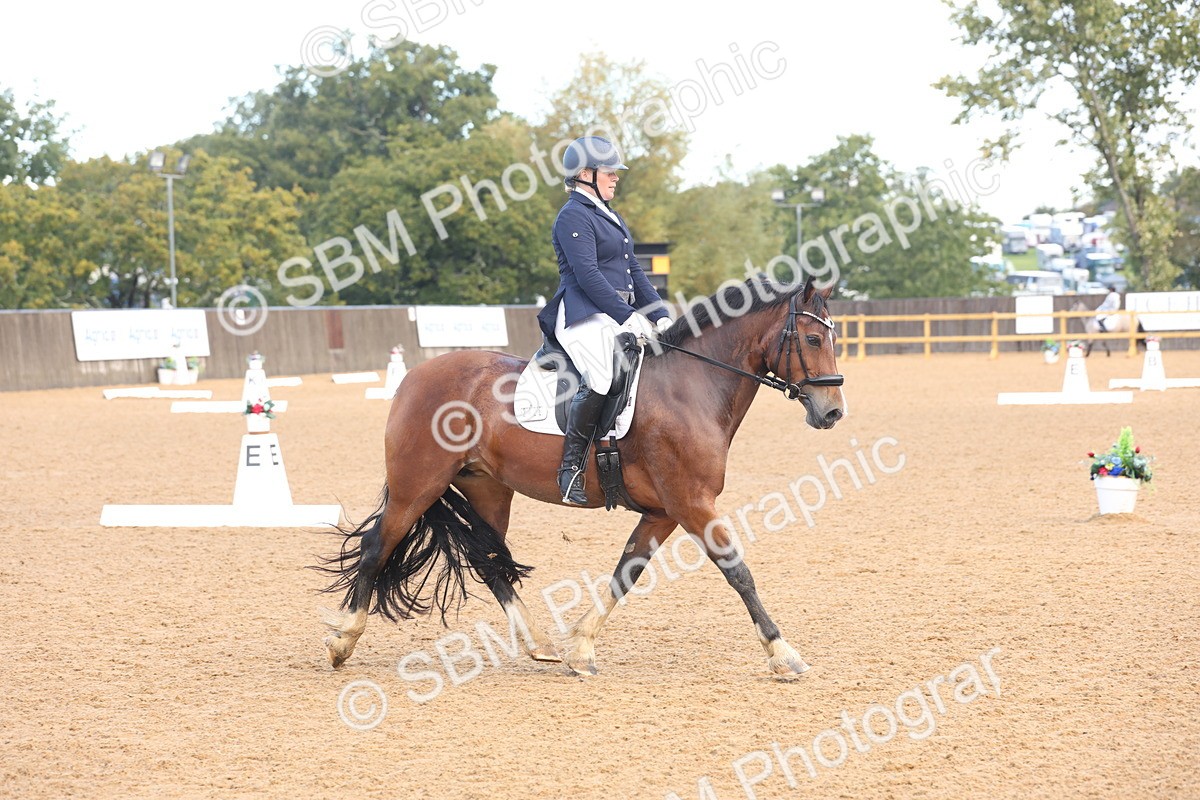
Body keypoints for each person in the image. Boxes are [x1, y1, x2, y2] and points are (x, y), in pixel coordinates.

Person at [535, 135, 671, 505]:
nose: (615, 178)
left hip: (612, 314)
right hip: (582, 314)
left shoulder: (610, 215)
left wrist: (659, 314)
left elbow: (635, 274)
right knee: (601, 376)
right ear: (584, 174)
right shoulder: (572, 216)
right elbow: (588, 275)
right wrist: (628, 316)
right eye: (608, 172)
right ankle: (571, 468)